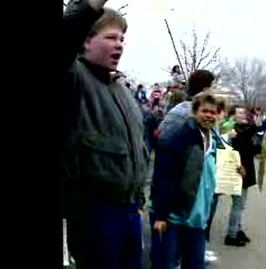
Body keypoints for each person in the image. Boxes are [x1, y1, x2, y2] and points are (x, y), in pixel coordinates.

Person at [60, 1, 148, 268]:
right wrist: (89, 7)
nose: (120, 44)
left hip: (130, 210)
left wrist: (139, 200)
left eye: (122, 38)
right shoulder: (73, 79)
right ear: (85, 42)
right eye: (110, 37)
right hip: (94, 214)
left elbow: (138, 150)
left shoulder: (121, 90)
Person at [150, 94, 245, 269]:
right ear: (194, 112)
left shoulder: (215, 139)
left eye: (213, 112)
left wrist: (236, 169)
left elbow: (220, 165)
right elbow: (163, 177)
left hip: (198, 217)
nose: (209, 115)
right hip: (175, 216)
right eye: (204, 111)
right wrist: (161, 215)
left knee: (195, 264)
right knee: (167, 264)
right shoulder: (179, 137)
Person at [225, 106, 262, 246]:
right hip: (238, 171)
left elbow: (248, 146)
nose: (243, 114)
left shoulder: (243, 130)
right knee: (238, 205)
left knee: (240, 205)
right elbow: (235, 151)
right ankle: (231, 235)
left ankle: (237, 230)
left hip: (245, 170)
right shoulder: (231, 131)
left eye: (244, 112)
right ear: (233, 116)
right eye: (239, 112)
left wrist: (259, 148)